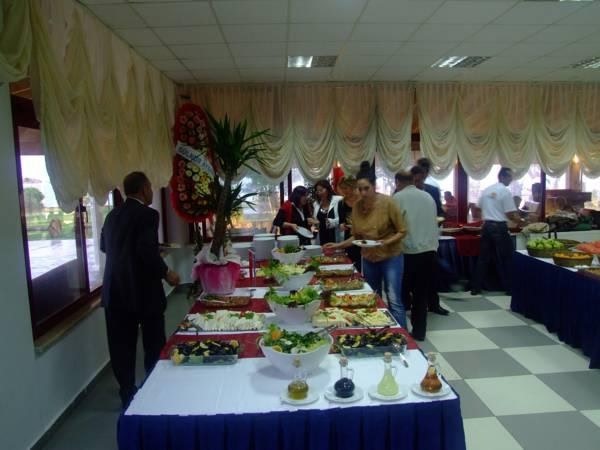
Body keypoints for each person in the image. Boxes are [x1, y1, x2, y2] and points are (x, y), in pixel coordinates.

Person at [101, 171, 180, 409]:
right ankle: (153, 389)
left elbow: (105, 246)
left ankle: (127, 393)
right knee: (153, 341)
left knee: (121, 346)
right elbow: (146, 251)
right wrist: (167, 272)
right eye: (150, 187)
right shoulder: (148, 215)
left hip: (115, 290)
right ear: (144, 188)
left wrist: (129, 255)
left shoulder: (112, 215)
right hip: (143, 290)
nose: (151, 192)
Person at [324, 161, 407, 327]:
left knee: (393, 299)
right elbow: (356, 236)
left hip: (390, 256)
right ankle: (376, 331)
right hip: (369, 257)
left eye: (366, 188)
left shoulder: (388, 203)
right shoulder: (356, 207)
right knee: (371, 297)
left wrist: (385, 242)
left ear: (374, 186)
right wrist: (337, 246)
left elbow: (402, 231)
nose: (362, 193)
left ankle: (401, 334)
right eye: (359, 189)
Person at [393, 170, 439, 341]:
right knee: (421, 293)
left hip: (409, 252)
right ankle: (419, 332)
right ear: (412, 180)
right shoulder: (428, 197)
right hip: (430, 250)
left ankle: (400, 330)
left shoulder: (398, 198)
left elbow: (394, 225)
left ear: (397, 182)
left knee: (400, 292)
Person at [471, 167, 525, 295]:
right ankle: (510, 288)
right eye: (509, 177)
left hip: (486, 227)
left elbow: (478, 208)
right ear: (502, 177)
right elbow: (510, 214)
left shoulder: (487, 190)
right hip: (499, 228)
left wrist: (489, 213)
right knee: (507, 258)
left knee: (483, 258)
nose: (511, 180)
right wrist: (522, 222)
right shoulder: (505, 191)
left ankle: (475, 288)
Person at [410, 166, 449, 315]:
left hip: (429, 240)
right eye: (415, 180)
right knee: (410, 277)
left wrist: (438, 221)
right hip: (409, 240)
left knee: (432, 274)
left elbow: (440, 212)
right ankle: (409, 304)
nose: (418, 183)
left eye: (421, 180)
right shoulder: (403, 193)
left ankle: (434, 305)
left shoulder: (432, 190)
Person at [336, 175, 361, 271]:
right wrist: (342, 225)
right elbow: (341, 221)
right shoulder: (341, 203)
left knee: (360, 265)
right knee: (351, 265)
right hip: (349, 238)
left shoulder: (362, 201)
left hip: (362, 237)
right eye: (342, 188)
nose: (344, 191)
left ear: (353, 187)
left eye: (346, 188)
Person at [312, 179, 343, 245]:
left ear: (328, 189)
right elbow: (316, 225)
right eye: (317, 191)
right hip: (321, 237)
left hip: (335, 236)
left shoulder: (339, 200)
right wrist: (314, 227)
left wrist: (330, 222)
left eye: (321, 190)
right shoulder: (316, 204)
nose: (319, 193)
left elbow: (343, 219)